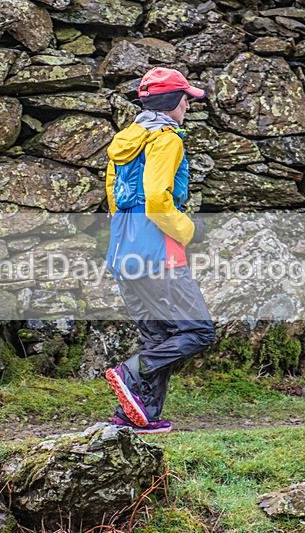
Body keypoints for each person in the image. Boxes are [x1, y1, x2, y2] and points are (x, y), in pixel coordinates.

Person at [103, 67, 216, 435]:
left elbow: (112, 195)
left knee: (160, 338)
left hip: (123, 251)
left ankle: (139, 416)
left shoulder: (126, 139)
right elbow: (156, 199)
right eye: (185, 98)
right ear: (172, 102)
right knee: (199, 332)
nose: (188, 104)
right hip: (159, 253)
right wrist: (186, 231)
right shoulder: (167, 138)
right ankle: (131, 370)